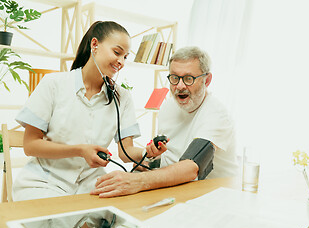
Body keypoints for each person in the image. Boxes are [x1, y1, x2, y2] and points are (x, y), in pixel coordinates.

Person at [13, 21, 164, 201]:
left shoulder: (122, 98)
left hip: (90, 184)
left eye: (125, 57)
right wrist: (80, 150)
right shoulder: (53, 84)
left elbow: (125, 152)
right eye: (117, 52)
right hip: (44, 181)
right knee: (61, 223)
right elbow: (30, 146)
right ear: (94, 45)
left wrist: (148, 152)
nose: (121, 62)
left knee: (122, 220)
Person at [91, 46, 239, 198]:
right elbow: (172, 158)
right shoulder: (169, 107)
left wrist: (139, 181)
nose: (180, 86)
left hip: (216, 196)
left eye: (189, 78)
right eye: (174, 78)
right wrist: (148, 164)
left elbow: (192, 165)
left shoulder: (216, 114)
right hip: (180, 191)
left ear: (206, 80)